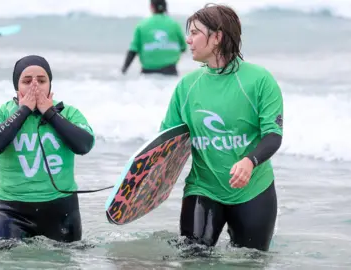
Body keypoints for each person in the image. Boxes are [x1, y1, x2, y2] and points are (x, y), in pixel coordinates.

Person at [159, 4, 283, 252]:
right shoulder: (187, 86)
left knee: (250, 262)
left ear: (217, 37)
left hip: (253, 191)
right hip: (202, 188)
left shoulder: (259, 80)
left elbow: (273, 135)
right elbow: (166, 143)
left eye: (195, 32)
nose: (188, 39)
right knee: (192, 258)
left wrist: (249, 161)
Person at [0, 55, 95, 243]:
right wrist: (23, 111)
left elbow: (85, 145)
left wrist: (50, 113)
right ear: (17, 87)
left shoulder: (69, 113)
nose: (35, 86)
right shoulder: (1, 113)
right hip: (10, 212)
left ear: (50, 85)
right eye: (26, 81)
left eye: (41, 81)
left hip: (62, 212)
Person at [121, 0, 187, 76]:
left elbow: (133, 51)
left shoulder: (142, 25)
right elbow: (183, 47)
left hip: (147, 73)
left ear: (151, 7)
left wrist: (124, 70)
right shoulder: (175, 25)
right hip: (170, 72)